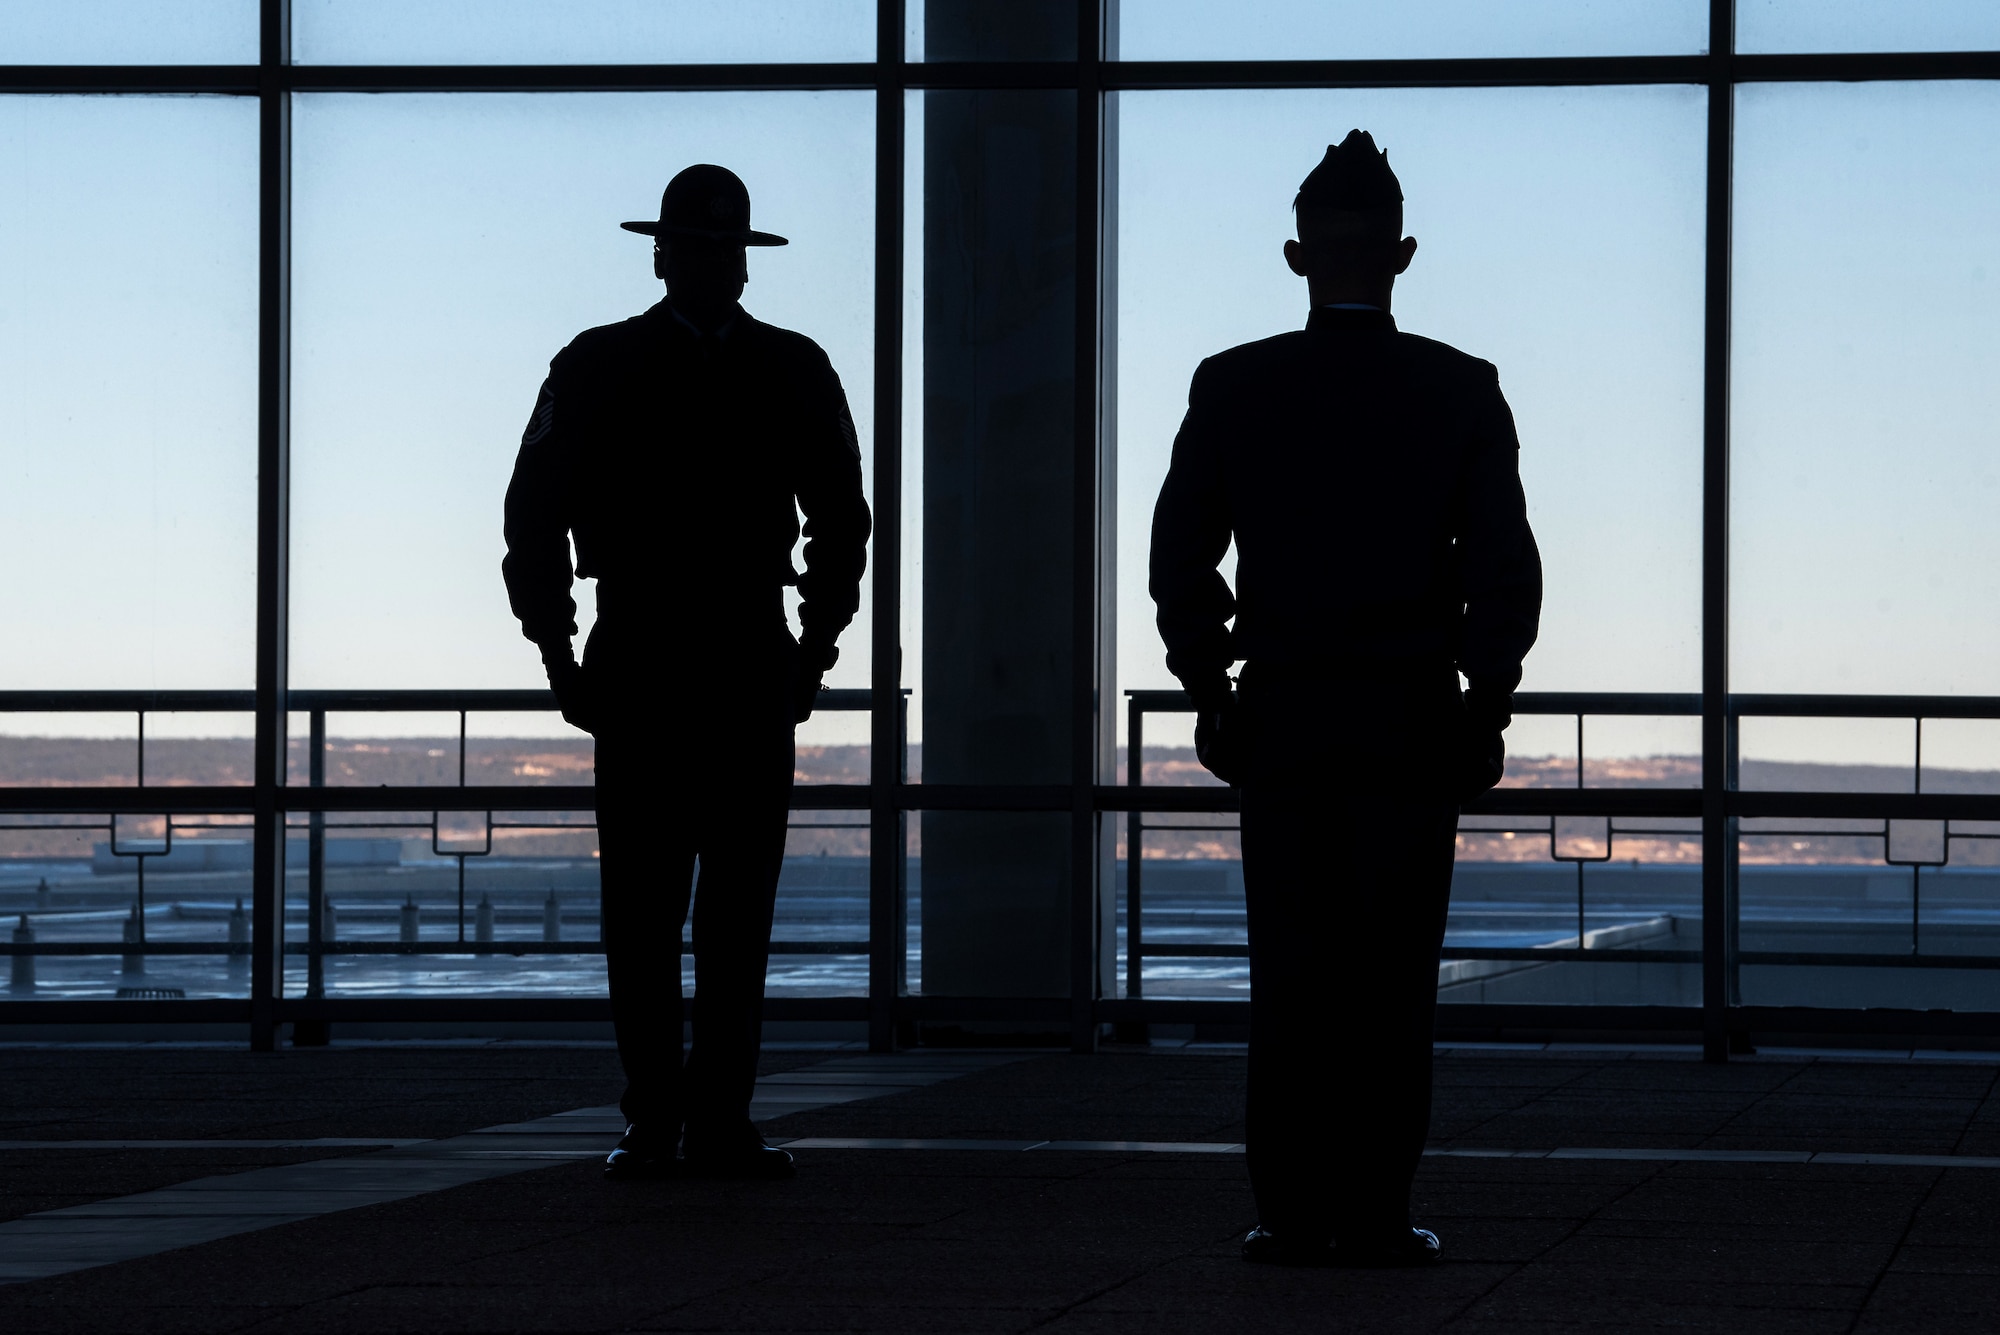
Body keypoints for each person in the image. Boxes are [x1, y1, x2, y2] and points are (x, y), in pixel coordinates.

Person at [1149, 130, 1542, 1266]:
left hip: (1284, 711)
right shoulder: (1459, 389)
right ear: (1403, 255)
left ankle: (1286, 1205)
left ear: (1293, 256)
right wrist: (1487, 698)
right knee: (1388, 979)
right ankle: (1373, 1205)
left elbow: (1181, 555)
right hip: (1409, 713)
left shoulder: (1233, 385)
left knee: (1294, 974)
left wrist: (1207, 679)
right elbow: (1500, 565)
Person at [503, 164, 871, 1180]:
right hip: (712, 658)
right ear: (669, 257)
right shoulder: (782, 369)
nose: (711, 265)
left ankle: (684, 1120)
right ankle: (680, 1118)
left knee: (708, 910)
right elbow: (837, 520)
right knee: (665, 910)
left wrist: (812, 643)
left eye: (719, 250)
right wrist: (556, 645)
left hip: (680, 657)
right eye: (701, 248)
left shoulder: (603, 365)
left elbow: (843, 522)